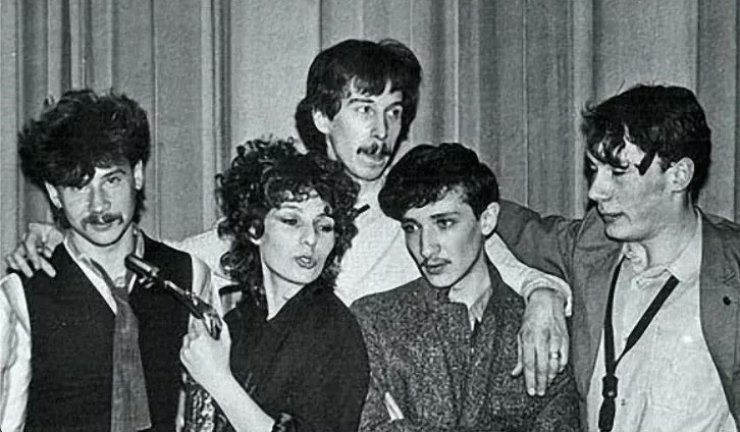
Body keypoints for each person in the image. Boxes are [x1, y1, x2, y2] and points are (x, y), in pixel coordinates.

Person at [6, 38, 570, 395]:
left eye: (394, 113)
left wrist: (543, 294)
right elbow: (167, 255)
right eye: (364, 109)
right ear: (323, 117)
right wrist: (63, 240)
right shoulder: (279, 209)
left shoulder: (415, 212)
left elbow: (500, 263)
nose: (381, 131)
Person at [495, 84, 739, 431]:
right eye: (594, 169)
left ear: (678, 175)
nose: (596, 191)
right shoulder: (591, 244)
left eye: (618, 172)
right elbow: (488, 218)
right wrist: (541, 290)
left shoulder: (732, 269)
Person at [0, 89, 218, 432]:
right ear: (54, 193)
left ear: (138, 175)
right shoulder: (20, 293)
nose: (98, 205)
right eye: (78, 186)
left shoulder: (189, 275)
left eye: (112, 180)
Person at [352, 143, 580, 432]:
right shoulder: (375, 320)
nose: (426, 248)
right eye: (412, 228)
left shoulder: (539, 328)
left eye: (444, 223)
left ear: (487, 219)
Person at [180, 139, 369, 432]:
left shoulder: (334, 330)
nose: (311, 239)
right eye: (292, 221)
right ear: (254, 229)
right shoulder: (238, 323)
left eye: (324, 226)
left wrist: (218, 380)